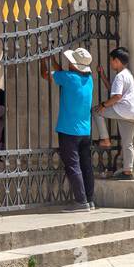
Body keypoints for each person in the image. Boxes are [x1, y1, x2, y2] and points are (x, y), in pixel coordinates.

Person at [41, 47, 96, 212]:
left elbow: (46, 75)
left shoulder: (68, 77)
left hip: (68, 130)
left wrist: (42, 59)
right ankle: (89, 199)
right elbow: (63, 73)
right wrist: (53, 59)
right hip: (85, 131)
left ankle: (81, 202)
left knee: (73, 165)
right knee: (86, 165)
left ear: (73, 64)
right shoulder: (88, 79)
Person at [92, 46, 134, 180]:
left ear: (117, 61)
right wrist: (102, 75)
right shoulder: (127, 74)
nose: (110, 63)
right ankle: (127, 172)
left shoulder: (120, 76)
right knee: (127, 142)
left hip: (124, 110)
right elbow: (112, 90)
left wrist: (103, 105)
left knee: (96, 112)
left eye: (112, 60)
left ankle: (106, 140)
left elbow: (117, 96)